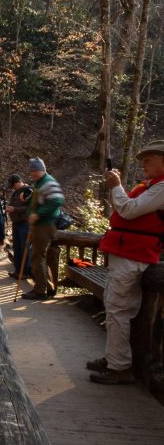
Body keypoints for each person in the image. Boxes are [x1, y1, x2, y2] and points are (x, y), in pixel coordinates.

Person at [88, 139, 164, 385]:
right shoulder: (151, 186)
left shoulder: (161, 188)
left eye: (149, 159)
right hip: (127, 255)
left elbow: (129, 210)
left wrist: (117, 186)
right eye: (142, 159)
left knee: (119, 309)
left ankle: (119, 366)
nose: (143, 163)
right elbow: (125, 211)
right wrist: (117, 188)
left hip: (134, 256)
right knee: (115, 308)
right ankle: (114, 358)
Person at [22, 158, 64, 300]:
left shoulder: (48, 182)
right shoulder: (40, 183)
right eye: (31, 170)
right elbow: (40, 200)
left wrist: (37, 214)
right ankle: (49, 288)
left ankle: (40, 291)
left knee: (37, 258)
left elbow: (57, 201)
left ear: (41, 169)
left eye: (34, 170)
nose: (32, 173)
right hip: (40, 226)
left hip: (44, 226)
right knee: (43, 258)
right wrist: (27, 200)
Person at [6, 174, 33, 279]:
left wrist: (15, 210)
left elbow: (30, 208)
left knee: (24, 248)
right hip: (16, 223)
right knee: (16, 247)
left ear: (18, 182)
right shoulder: (16, 192)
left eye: (13, 185)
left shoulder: (28, 191)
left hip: (25, 223)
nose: (13, 187)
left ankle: (25, 272)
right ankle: (18, 270)